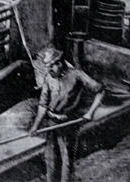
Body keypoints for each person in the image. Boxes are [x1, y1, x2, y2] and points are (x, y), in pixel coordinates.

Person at [30, 47, 105, 182]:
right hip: (51, 123)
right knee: (50, 159)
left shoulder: (77, 75)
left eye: (50, 67)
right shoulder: (49, 78)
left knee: (67, 160)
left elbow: (101, 91)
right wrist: (36, 126)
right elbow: (43, 104)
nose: (48, 70)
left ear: (58, 63)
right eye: (47, 67)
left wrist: (90, 113)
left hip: (68, 124)